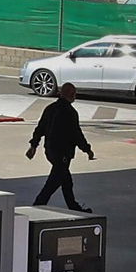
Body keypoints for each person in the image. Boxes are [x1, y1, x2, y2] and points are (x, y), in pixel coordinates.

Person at [27, 82, 94, 212]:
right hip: (63, 153)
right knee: (56, 182)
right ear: (71, 95)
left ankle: (73, 207)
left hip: (50, 151)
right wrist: (87, 149)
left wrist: (33, 146)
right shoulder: (70, 112)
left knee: (64, 181)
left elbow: (40, 128)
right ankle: (38, 205)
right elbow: (77, 134)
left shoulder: (50, 108)